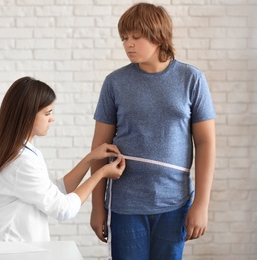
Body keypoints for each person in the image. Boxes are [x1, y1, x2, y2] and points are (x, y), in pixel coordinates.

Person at [90, 2, 216, 260]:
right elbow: (99, 149)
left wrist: (201, 204)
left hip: (175, 204)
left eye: (136, 37)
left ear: (158, 35)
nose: (128, 44)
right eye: (124, 38)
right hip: (125, 207)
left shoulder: (191, 80)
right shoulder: (115, 83)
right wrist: (97, 207)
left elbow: (205, 143)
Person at [0, 76, 125, 242]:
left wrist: (90, 159)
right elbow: (63, 209)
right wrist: (101, 173)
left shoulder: (22, 151)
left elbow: (58, 190)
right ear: (27, 115)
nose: (52, 118)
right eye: (47, 113)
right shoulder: (21, 162)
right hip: (10, 248)